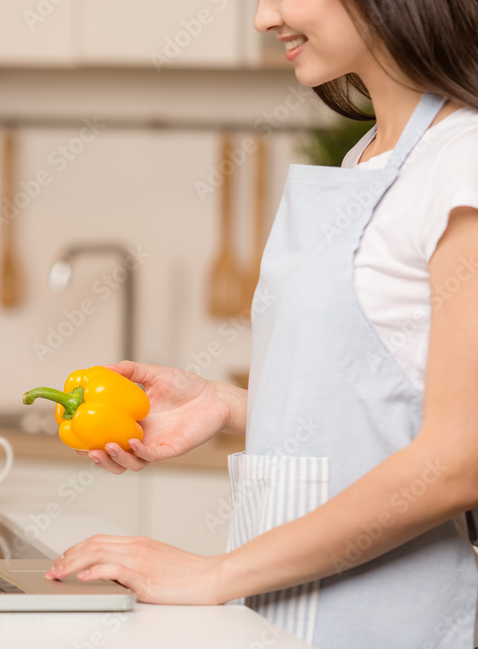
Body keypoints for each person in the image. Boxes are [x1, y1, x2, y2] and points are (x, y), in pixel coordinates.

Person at [44, 0, 478, 646]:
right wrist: (229, 405)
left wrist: (217, 573)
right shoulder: (371, 157)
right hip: (296, 612)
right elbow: (394, 402)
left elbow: (457, 457)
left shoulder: (462, 161)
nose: (263, 17)